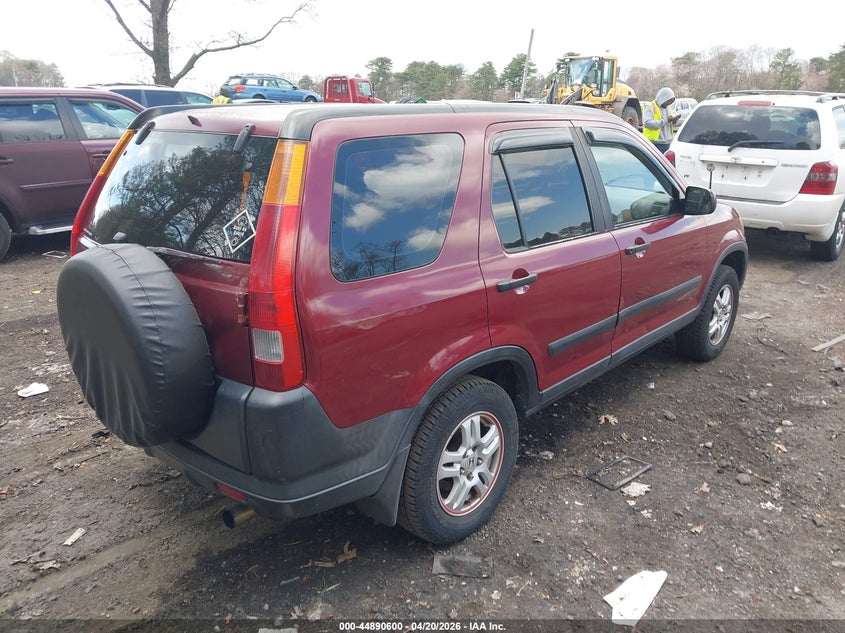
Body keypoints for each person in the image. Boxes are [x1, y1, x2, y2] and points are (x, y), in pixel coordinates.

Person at [642, 87, 680, 153]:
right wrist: (665, 120)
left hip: (668, 143)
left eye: (671, 102)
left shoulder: (668, 108)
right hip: (655, 144)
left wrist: (674, 121)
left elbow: (668, 123)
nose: (669, 103)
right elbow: (647, 123)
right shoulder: (650, 106)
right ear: (662, 98)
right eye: (668, 101)